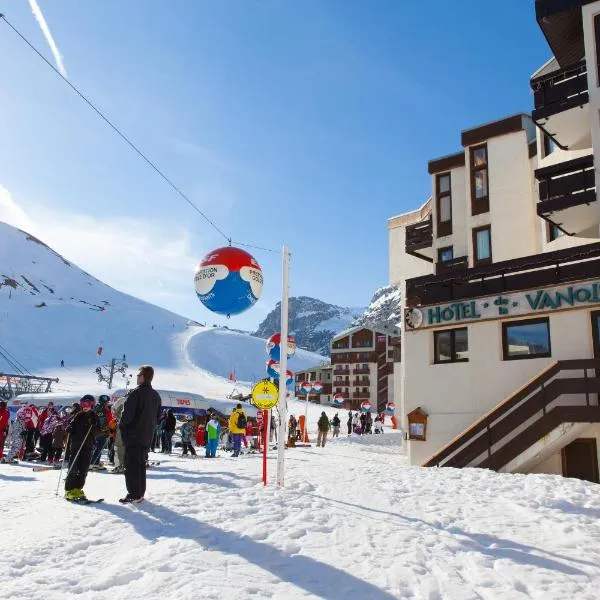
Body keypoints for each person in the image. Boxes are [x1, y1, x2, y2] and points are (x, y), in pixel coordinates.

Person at [119, 365, 161, 503]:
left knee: (131, 466)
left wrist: (123, 427)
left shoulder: (136, 393)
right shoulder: (155, 395)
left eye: (138, 375)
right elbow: (158, 416)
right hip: (147, 436)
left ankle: (134, 494)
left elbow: (127, 415)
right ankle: (140, 493)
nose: (136, 377)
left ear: (143, 377)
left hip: (133, 436)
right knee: (141, 465)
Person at [64, 395, 99, 502]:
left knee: (83, 469)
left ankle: (78, 488)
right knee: (73, 467)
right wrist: (69, 428)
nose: (85, 406)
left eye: (88, 404)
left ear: (92, 405)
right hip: (76, 445)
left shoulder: (94, 417)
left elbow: (98, 432)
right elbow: (70, 426)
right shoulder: (78, 416)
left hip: (87, 445)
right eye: (83, 404)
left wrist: (94, 426)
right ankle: (69, 490)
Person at [90, 394, 112, 468]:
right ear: (104, 402)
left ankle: (95, 461)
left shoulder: (99, 407)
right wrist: (107, 431)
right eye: (107, 402)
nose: (107, 403)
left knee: (98, 446)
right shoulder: (100, 408)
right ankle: (94, 463)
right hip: (100, 430)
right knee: (99, 446)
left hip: (98, 430)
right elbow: (102, 420)